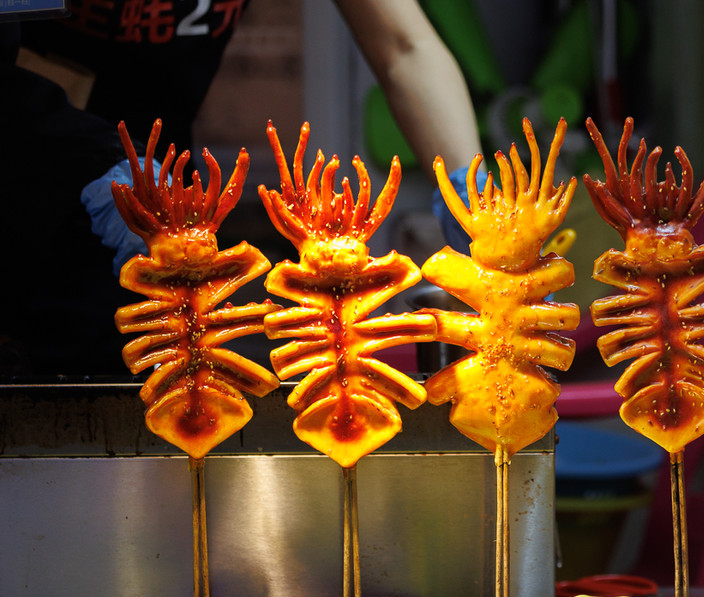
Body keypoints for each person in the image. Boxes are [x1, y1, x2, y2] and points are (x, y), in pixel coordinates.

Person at [0, 0, 481, 377]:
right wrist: (86, 156)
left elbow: (404, 46)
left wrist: (468, 190)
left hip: (167, 211)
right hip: (28, 177)